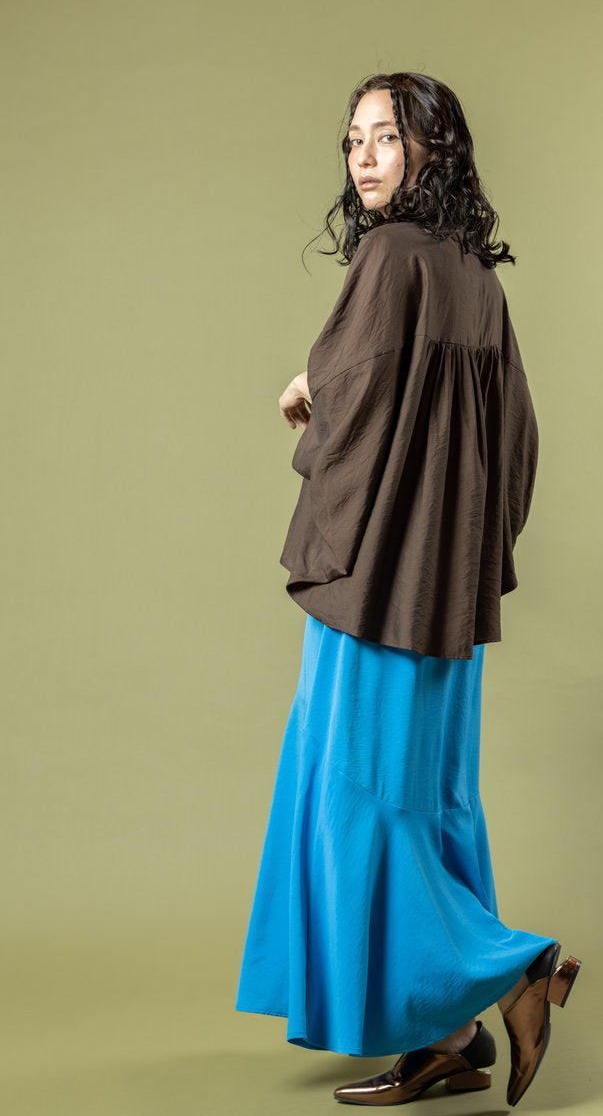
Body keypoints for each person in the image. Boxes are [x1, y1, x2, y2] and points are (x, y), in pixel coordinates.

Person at [235, 71, 582, 1107]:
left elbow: (350, 392)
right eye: (353, 139)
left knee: (357, 802)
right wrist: (463, 560)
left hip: (377, 589)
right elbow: (516, 442)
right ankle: (445, 1042)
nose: (364, 156)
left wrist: (305, 387)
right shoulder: (477, 278)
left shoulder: (388, 256)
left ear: (433, 148)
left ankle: (513, 969)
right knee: (429, 804)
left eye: (386, 136)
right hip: (439, 598)